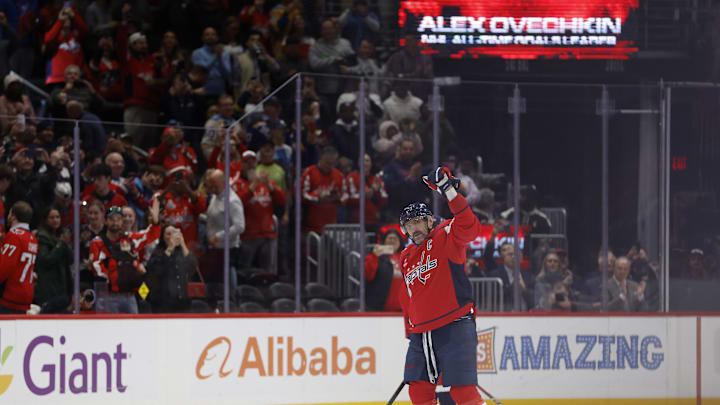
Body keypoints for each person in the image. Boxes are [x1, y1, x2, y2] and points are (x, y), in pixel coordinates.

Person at [397, 167, 485, 405]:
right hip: (421, 333)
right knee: (418, 392)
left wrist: (449, 191)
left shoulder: (445, 235)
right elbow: (409, 297)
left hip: (454, 324)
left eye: (418, 221)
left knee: (463, 393)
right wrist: (411, 330)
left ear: (430, 221)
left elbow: (470, 227)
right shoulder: (405, 256)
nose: (414, 228)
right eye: (408, 224)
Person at [88, 202, 160, 314]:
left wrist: (155, 222)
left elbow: (150, 235)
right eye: (112, 219)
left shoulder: (130, 239)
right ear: (106, 221)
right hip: (108, 296)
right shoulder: (97, 242)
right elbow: (96, 268)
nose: (115, 222)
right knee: (110, 329)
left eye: (118, 219)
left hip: (130, 296)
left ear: (122, 222)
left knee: (134, 329)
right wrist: (118, 272)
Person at [203, 169, 245, 280]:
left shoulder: (232, 201)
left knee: (227, 278)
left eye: (215, 186)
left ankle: (232, 296)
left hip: (228, 248)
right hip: (215, 249)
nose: (212, 189)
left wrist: (218, 236)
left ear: (224, 182)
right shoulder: (214, 197)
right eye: (210, 186)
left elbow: (239, 226)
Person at [145, 225, 198, 313]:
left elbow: (193, 266)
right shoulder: (158, 252)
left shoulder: (182, 252)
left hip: (183, 302)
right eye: (168, 234)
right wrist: (170, 247)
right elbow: (156, 269)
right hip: (163, 303)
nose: (171, 237)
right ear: (163, 237)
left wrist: (183, 244)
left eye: (174, 234)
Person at [0, 201, 37, 314]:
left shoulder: (15, 235)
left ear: (13, 216)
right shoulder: (32, 238)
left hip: (10, 295)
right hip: (25, 295)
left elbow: (5, 267)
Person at [33, 206, 73, 307]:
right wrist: (60, 245)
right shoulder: (41, 236)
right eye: (52, 217)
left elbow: (71, 259)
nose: (55, 220)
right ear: (45, 220)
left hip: (63, 283)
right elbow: (45, 260)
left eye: (57, 217)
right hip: (48, 286)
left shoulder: (62, 235)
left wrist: (65, 245)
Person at [300, 146, 344, 234]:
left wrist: (338, 198)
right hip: (311, 225)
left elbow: (345, 195)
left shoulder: (339, 175)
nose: (329, 166)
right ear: (320, 159)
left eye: (332, 163)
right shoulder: (309, 172)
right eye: (327, 163)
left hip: (331, 225)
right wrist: (319, 198)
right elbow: (302, 194)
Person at [341, 154, 388, 233]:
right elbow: (350, 199)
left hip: (373, 221)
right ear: (358, 163)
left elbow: (384, 200)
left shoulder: (377, 179)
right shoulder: (351, 177)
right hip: (356, 222)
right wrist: (371, 191)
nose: (365, 163)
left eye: (367, 161)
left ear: (371, 163)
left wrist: (376, 192)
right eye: (363, 161)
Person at [364, 228, 403, 311]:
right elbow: (368, 275)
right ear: (384, 241)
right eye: (389, 238)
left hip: (402, 308)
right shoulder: (375, 257)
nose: (392, 241)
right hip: (380, 308)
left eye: (395, 239)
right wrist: (374, 256)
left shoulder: (406, 257)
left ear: (400, 242)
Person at [192, 27, 232, 99]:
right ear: (202, 38)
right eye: (207, 34)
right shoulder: (197, 53)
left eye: (213, 34)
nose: (210, 36)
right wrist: (216, 56)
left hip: (220, 90)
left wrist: (220, 59)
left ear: (217, 38)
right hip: (203, 89)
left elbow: (228, 74)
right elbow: (201, 71)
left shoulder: (224, 54)